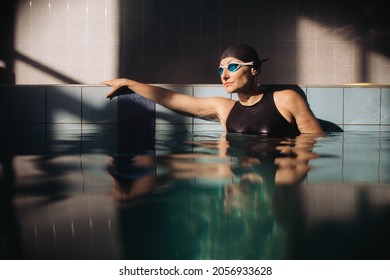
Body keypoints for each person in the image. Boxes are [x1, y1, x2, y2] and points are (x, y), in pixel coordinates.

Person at [100, 43, 324, 137]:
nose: (224, 75)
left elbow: (314, 140)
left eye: (233, 67)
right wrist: (130, 83)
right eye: (221, 69)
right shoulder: (224, 108)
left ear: (254, 69)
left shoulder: (286, 99)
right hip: (238, 177)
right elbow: (172, 98)